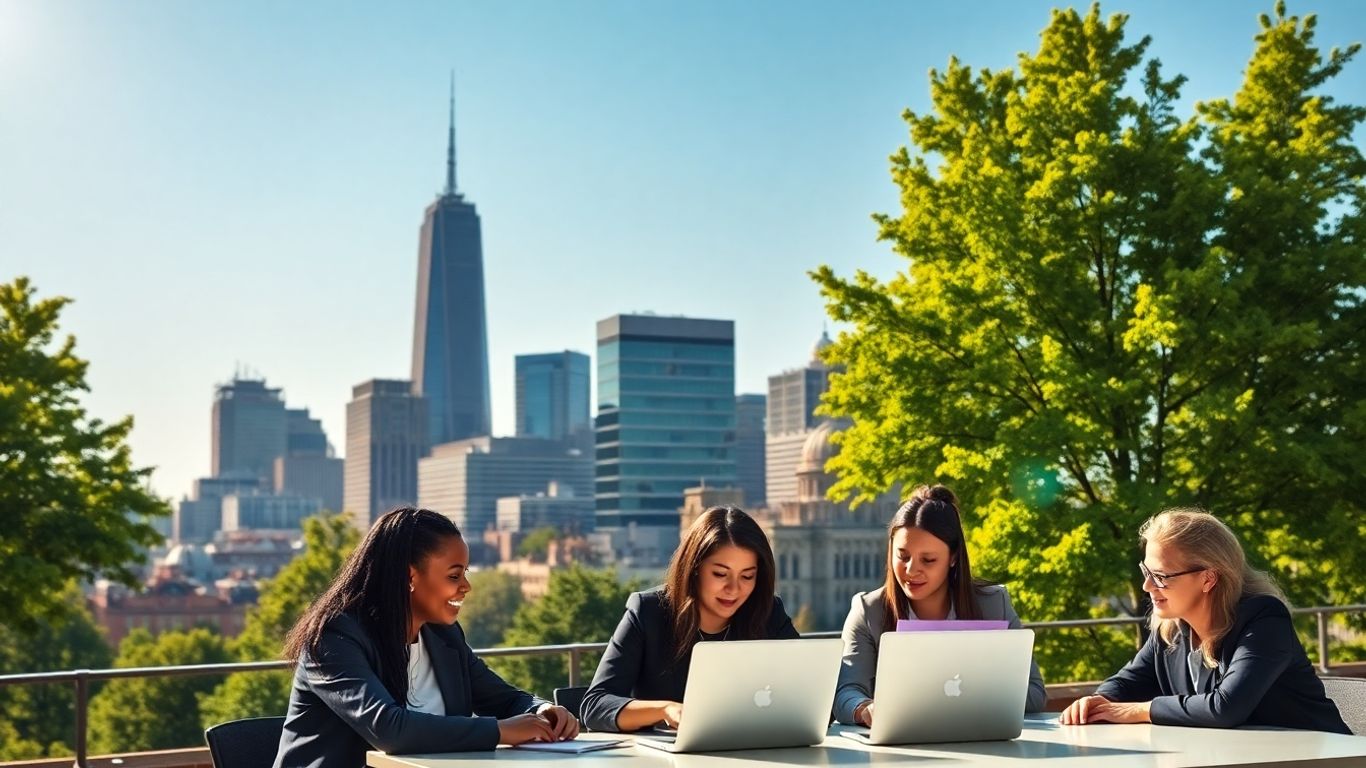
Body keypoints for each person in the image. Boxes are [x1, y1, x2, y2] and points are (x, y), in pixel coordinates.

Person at [273, 507, 578, 768]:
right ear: (410, 577)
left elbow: (506, 698)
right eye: (454, 576)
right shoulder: (334, 637)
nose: (466, 587)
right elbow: (389, 729)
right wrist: (499, 731)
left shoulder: (443, 637)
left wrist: (540, 710)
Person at [1060, 508, 1349, 733]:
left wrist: (1138, 711)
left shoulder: (1264, 619)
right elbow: (1127, 682)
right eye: (1145, 571)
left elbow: (1226, 707)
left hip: (1323, 759)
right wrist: (1099, 702)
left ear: (1208, 578)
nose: (1147, 586)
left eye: (1160, 576)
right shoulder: (1171, 630)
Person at [834, 485, 1047, 726]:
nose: (911, 570)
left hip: (979, 741)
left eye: (928, 560)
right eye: (902, 556)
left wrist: (963, 700)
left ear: (954, 557)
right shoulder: (868, 611)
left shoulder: (994, 603)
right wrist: (865, 709)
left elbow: (1035, 692)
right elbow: (845, 694)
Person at [580, 506, 799, 732]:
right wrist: (665, 710)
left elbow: (815, 688)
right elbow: (595, 705)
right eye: (720, 574)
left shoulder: (768, 611)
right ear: (694, 568)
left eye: (747, 576)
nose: (734, 589)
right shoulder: (648, 611)